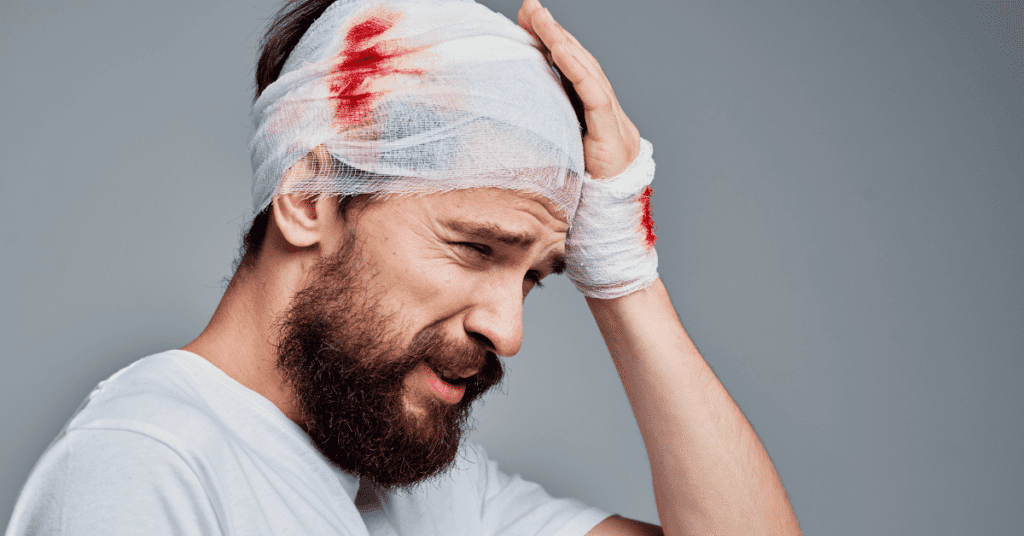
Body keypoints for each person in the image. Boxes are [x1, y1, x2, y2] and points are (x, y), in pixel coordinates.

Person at [6, 0, 802, 534]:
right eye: (475, 247)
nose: (509, 328)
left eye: (533, 277)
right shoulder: (141, 468)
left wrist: (625, 276)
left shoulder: (431, 491)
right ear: (310, 197)